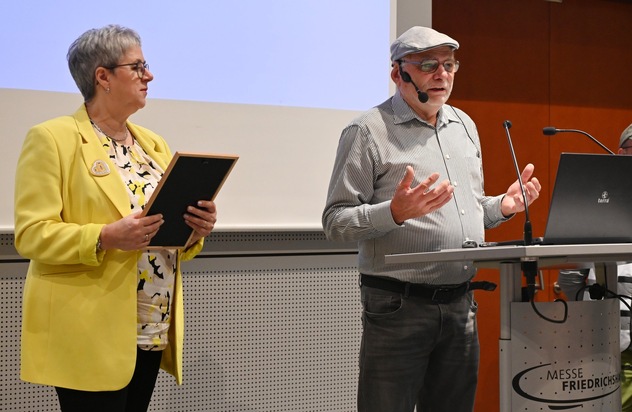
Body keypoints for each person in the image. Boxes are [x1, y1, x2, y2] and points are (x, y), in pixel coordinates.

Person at [322, 26, 541, 412]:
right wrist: (393, 212)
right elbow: (336, 221)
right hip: (398, 306)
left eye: (449, 64)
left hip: (461, 304)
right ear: (398, 73)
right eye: (428, 65)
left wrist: (502, 206)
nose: (442, 74)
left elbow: (469, 211)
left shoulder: (464, 126)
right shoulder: (367, 131)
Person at [14, 25, 217, 412]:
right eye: (137, 66)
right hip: (89, 327)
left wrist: (193, 230)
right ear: (102, 76)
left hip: (151, 321)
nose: (149, 75)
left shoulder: (151, 143)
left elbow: (162, 231)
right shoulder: (53, 138)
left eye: (146, 65)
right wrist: (105, 236)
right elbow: (31, 234)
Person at [557, 123, 632, 411]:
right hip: (611, 350)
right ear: (619, 155)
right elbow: (570, 279)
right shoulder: (598, 206)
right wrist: (594, 313)